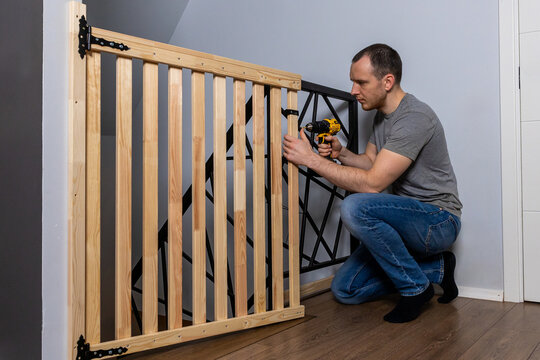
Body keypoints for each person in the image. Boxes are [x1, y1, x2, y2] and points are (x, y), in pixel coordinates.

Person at [283, 43, 462, 323]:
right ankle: (436, 270)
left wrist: (314, 161)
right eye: (353, 82)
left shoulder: (414, 117)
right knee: (345, 289)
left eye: (361, 82)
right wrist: (341, 153)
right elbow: (370, 162)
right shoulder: (382, 117)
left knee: (355, 206)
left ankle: (415, 289)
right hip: (405, 220)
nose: (354, 90)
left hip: (438, 221)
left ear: (387, 81)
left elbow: (372, 184)